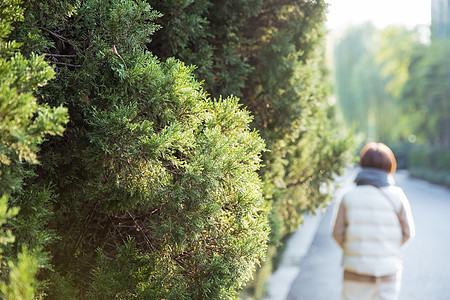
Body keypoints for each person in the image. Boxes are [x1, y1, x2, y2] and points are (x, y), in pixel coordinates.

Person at [331, 142, 415, 300]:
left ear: (363, 163)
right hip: (387, 273)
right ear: (389, 165)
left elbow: (337, 234)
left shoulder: (348, 196)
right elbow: (408, 233)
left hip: (355, 272)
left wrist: (354, 249)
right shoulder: (397, 196)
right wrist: (388, 249)